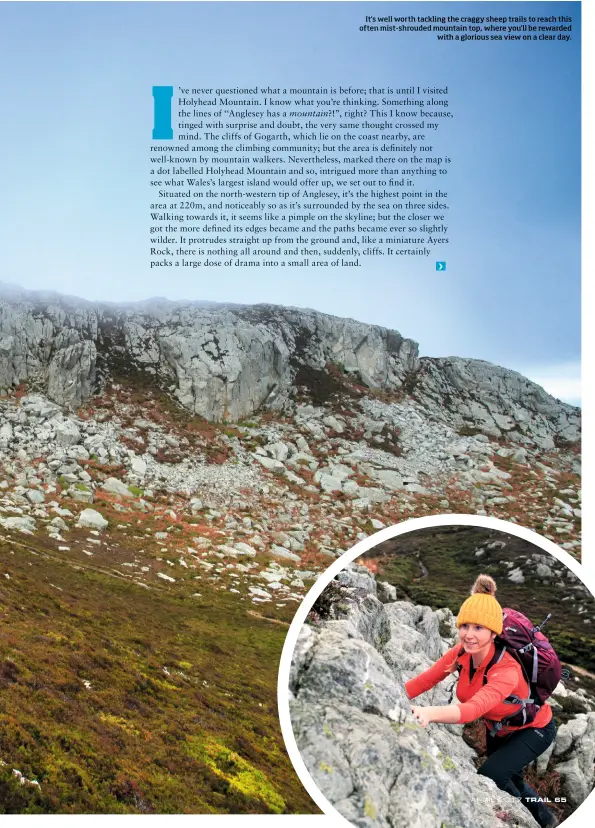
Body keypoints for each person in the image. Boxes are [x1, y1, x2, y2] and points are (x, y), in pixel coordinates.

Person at [404, 574, 559, 828]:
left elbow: (472, 709)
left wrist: (428, 713)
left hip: (535, 730)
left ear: (493, 632)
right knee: (512, 779)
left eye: (479, 628)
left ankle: (528, 820)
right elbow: (425, 681)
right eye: (465, 626)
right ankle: (546, 819)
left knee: (491, 775)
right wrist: (393, 695)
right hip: (498, 729)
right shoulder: (461, 653)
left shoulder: (506, 670)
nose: (469, 634)